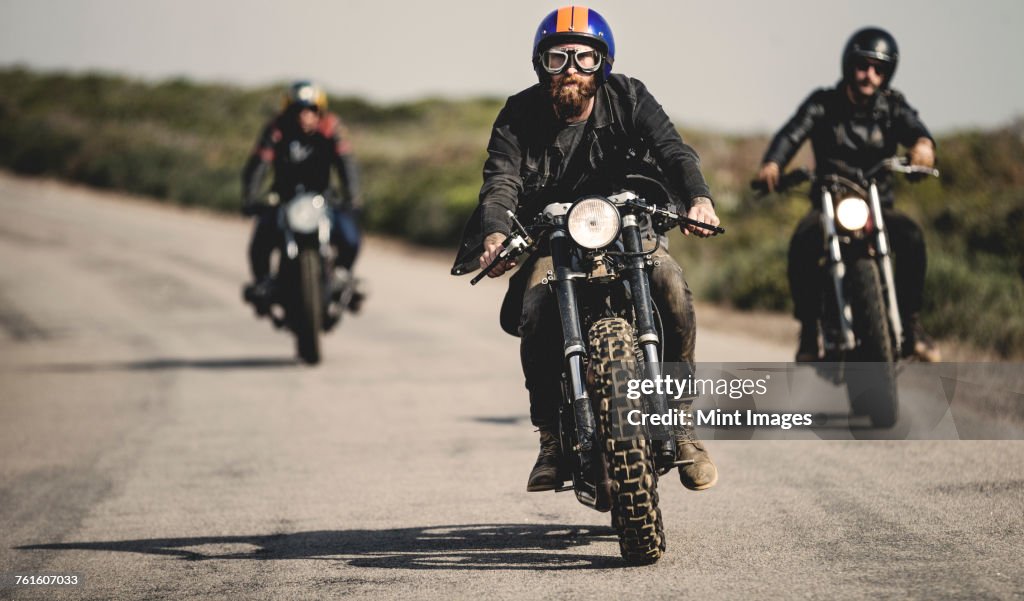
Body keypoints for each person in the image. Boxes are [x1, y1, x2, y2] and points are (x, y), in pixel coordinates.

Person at [451, 6, 721, 493]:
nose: (571, 68)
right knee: (535, 305)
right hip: (552, 235)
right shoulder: (518, 113)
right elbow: (500, 181)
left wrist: (699, 199)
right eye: (557, 58)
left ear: (603, 63)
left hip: (628, 228)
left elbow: (674, 151)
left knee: (671, 284)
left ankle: (681, 424)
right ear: (541, 65)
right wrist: (495, 234)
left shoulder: (631, 97)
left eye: (583, 57)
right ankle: (551, 438)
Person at [755, 27, 940, 362]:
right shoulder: (823, 104)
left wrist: (923, 145)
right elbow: (792, 133)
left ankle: (912, 323)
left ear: (887, 74)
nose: (869, 75)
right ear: (849, 65)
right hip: (828, 203)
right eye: (863, 66)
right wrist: (773, 163)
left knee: (912, 237)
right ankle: (809, 330)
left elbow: (915, 128)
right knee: (801, 244)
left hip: (878, 205)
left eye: (878, 69)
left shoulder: (892, 107)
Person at [242, 80, 364, 311]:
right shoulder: (276, 130)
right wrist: (249, 197)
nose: (305, 116)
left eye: (311, 110)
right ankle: (264, 283)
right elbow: (259, 165)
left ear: (320, 112)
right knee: (260, 240)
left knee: (350, 236)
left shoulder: (331, 128)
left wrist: (354, 197)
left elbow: (347, 164)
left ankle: (343, 276)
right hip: (284, 200)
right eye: (298, 110)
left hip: (323, 199)